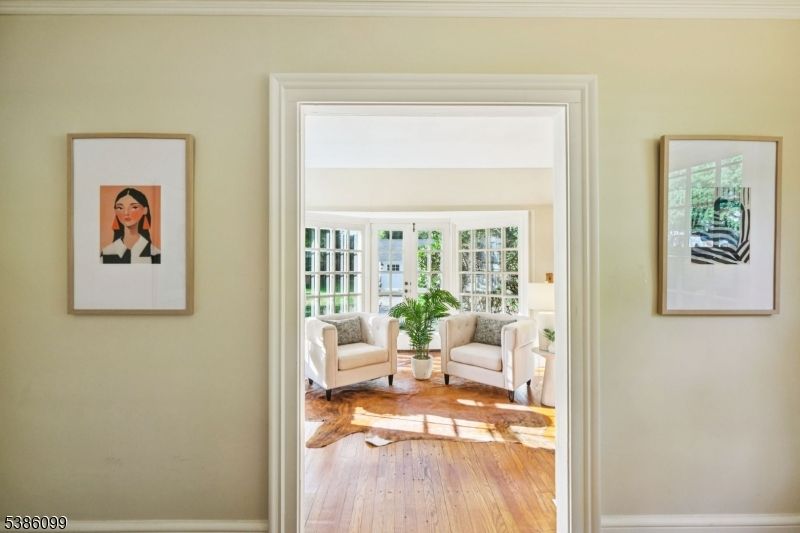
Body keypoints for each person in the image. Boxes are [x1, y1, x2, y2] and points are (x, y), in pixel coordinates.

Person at [101, 187, 161, 264]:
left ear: (145, 210)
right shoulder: (106, 253)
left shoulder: (155, 254)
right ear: (115, 211)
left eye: (134, 207)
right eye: (120, 207)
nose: (126, 213)